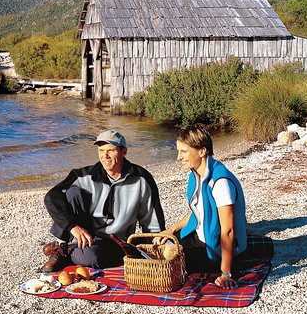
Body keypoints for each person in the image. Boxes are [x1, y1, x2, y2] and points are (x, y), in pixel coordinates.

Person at [42, 129, 166, 271]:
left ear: (124, 151)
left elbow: (151, 219)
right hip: (87, 233)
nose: (104, 156)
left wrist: (154, 250)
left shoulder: (142, 180)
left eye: (110, 151)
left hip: (117, 241)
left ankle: (67, 251)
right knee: (71, 193)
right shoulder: (83, 175)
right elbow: (52, 196)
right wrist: (72, 227)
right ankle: (61, 247)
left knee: (93, 258)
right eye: (101, 151)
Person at [156, 124, 247, 289]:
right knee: (159, 245)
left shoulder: (220, 183)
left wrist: (225, 273)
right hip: (200, 238)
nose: (178, 157)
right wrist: (171, 230)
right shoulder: (198, 174)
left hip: (214, 250)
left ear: (202, 151)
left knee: (165, 264)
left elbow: (228, 230)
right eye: (178, 151)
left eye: (184, 152)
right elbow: (197, 212)